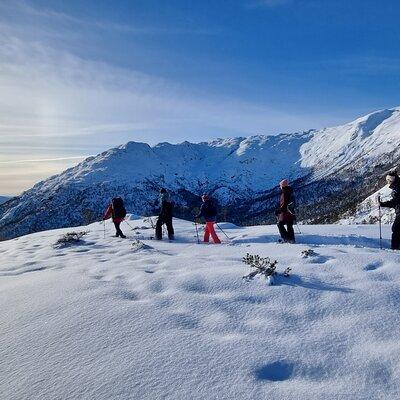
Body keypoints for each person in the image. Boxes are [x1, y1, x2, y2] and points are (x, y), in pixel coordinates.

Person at [378, 170, 400, 250]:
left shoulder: (398, 187)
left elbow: (396, 201)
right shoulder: (396, 186)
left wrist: (383, 204)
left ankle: (395, 248)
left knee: (396, 229)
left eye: (389, 180)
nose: (388, 182)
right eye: (387, 180)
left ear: (393, 180)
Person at [275, 179, 296, 243]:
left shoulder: (285, 193)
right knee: (289, 225)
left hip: (285, 213)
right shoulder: (291, 191)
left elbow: (284, 205)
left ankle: (286, 238)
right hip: (291, 212)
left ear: (282, 186)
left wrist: (278, 211)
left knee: (280, 224)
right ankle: (292, 239)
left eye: (280, 186)